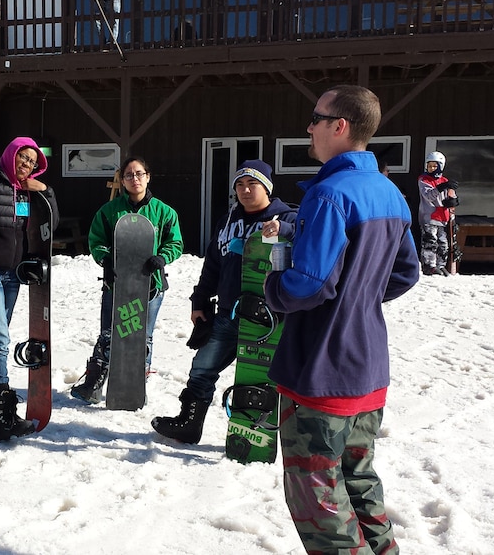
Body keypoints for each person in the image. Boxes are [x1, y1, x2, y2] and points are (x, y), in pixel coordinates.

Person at [263, 85, 420, 554]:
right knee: (358, 479)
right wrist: (359, 299)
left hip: (320, 371)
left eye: (315, 117)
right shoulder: (390, 192)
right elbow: (406, 272)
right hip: (368, 367)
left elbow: (309, 284)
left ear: (340, 126)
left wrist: (273, 290)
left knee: (317, 496)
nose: (308, 127)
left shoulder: (329, 194)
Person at [152, 160, 296, 444]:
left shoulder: (288, 217)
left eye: (252, 184)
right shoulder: (227, 221)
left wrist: (283, 229)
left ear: (267, 187)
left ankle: (261, 432)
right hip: (228, 312)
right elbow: (213, 266)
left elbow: (306, 237)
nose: (245, 190)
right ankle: (189, 423)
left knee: (262, 378)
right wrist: (200, 301)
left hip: (268, 319)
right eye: (239, 185)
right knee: (203, 367)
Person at [0, 137, 59, 441]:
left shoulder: (29, 192)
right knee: (0, 337)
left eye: (32, 162)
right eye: (22, 157)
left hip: (11, 276)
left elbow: (50, 223)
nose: (26, 164)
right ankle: (3, 411)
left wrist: (45, 191)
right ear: (10, 154)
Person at [71, 157, 183, 404]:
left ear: (148, 176)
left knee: (143, 334)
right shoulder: (109, 211)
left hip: (150, 284)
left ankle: (137, 382)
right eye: (129, 175)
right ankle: (95, 382)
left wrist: (162, 258)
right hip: (117, 283)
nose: (135, 179)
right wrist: (106, 260)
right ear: (122, 181)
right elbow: (96, 240)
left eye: (139, 174)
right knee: (110, 333)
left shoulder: (164, 212)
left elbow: (175, 242)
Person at [418, 151, 459, 276]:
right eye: (429, 166)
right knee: (430, 242)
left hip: (442, 217)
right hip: (429, 216)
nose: (431, 168)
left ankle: (440, 265)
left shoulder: (444, 180)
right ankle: (429, 266)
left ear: (441, 166)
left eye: (434, 166)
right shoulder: (424, 180)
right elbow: (429, 196)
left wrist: (453, 201)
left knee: (443, 243)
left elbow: (450, 197)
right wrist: (442, 187)